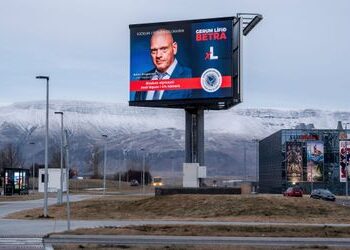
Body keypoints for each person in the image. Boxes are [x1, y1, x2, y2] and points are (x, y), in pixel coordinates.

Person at [134, 29, 192, 101]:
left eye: (163, 49)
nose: (158, 55)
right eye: (154, 50)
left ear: (174, 48)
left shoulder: (191, 77)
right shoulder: (143, 79)